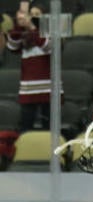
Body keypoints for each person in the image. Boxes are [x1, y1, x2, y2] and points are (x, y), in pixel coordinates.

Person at [5, 1, 50, 132]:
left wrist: (33, 28)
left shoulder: (49, 32)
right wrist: (19, 27)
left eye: (37, 14)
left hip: (48, 89)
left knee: (48, 129)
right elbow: (12, 47)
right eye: (31, 14)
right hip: (28, 89)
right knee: (26, 127)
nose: (33, 17)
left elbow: (48, 47)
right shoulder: (25, 34)